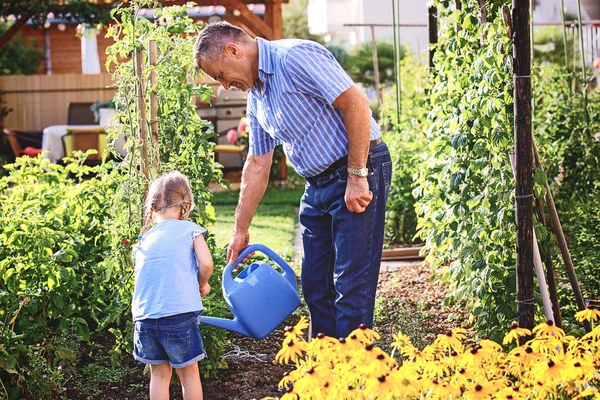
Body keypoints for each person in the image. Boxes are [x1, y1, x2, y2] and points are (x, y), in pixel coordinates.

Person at [194, 22, 392, 339]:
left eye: (220, 74)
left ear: (233, 51)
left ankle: (352, 378)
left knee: (351, 285)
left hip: (357, 166)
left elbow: (356, 104)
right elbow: (258, 163)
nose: (224, 85)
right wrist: (241, 229)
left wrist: (357, 175)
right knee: (315, 285)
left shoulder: (295, 57)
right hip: (316, 184)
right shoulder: (257, 96)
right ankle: (322, 371)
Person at [132, 171, 213, 400]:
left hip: (145, 317)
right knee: (188, 374)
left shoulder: (145, 238)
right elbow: (206, 263)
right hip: (178, 316)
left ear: (154, 206)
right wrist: (202, 283)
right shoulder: (189, 230)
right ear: (185, 204)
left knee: (158, 375)